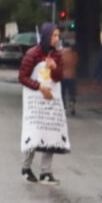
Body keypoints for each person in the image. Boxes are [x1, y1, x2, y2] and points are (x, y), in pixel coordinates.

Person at [18, 23, 63, 185]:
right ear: (46, 36)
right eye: (54, 35)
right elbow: (22, 77)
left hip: (51, 100)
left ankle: (46, 171)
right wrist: (39, 87)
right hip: (35, 101)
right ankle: (26, 168)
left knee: (50, 134)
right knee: (34, 134)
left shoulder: (57, 55)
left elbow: (59, 77)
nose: (56, 39)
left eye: (58, 36)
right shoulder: (32, 54)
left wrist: (54, 67)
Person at [60, 41, 78, 116]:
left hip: (63, 77)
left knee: (62, 93)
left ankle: (64, 108)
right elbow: (76, 63)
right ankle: (72, 105)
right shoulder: (74, 54)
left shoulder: (60, 54)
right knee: (72, 93)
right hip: (72, 76)